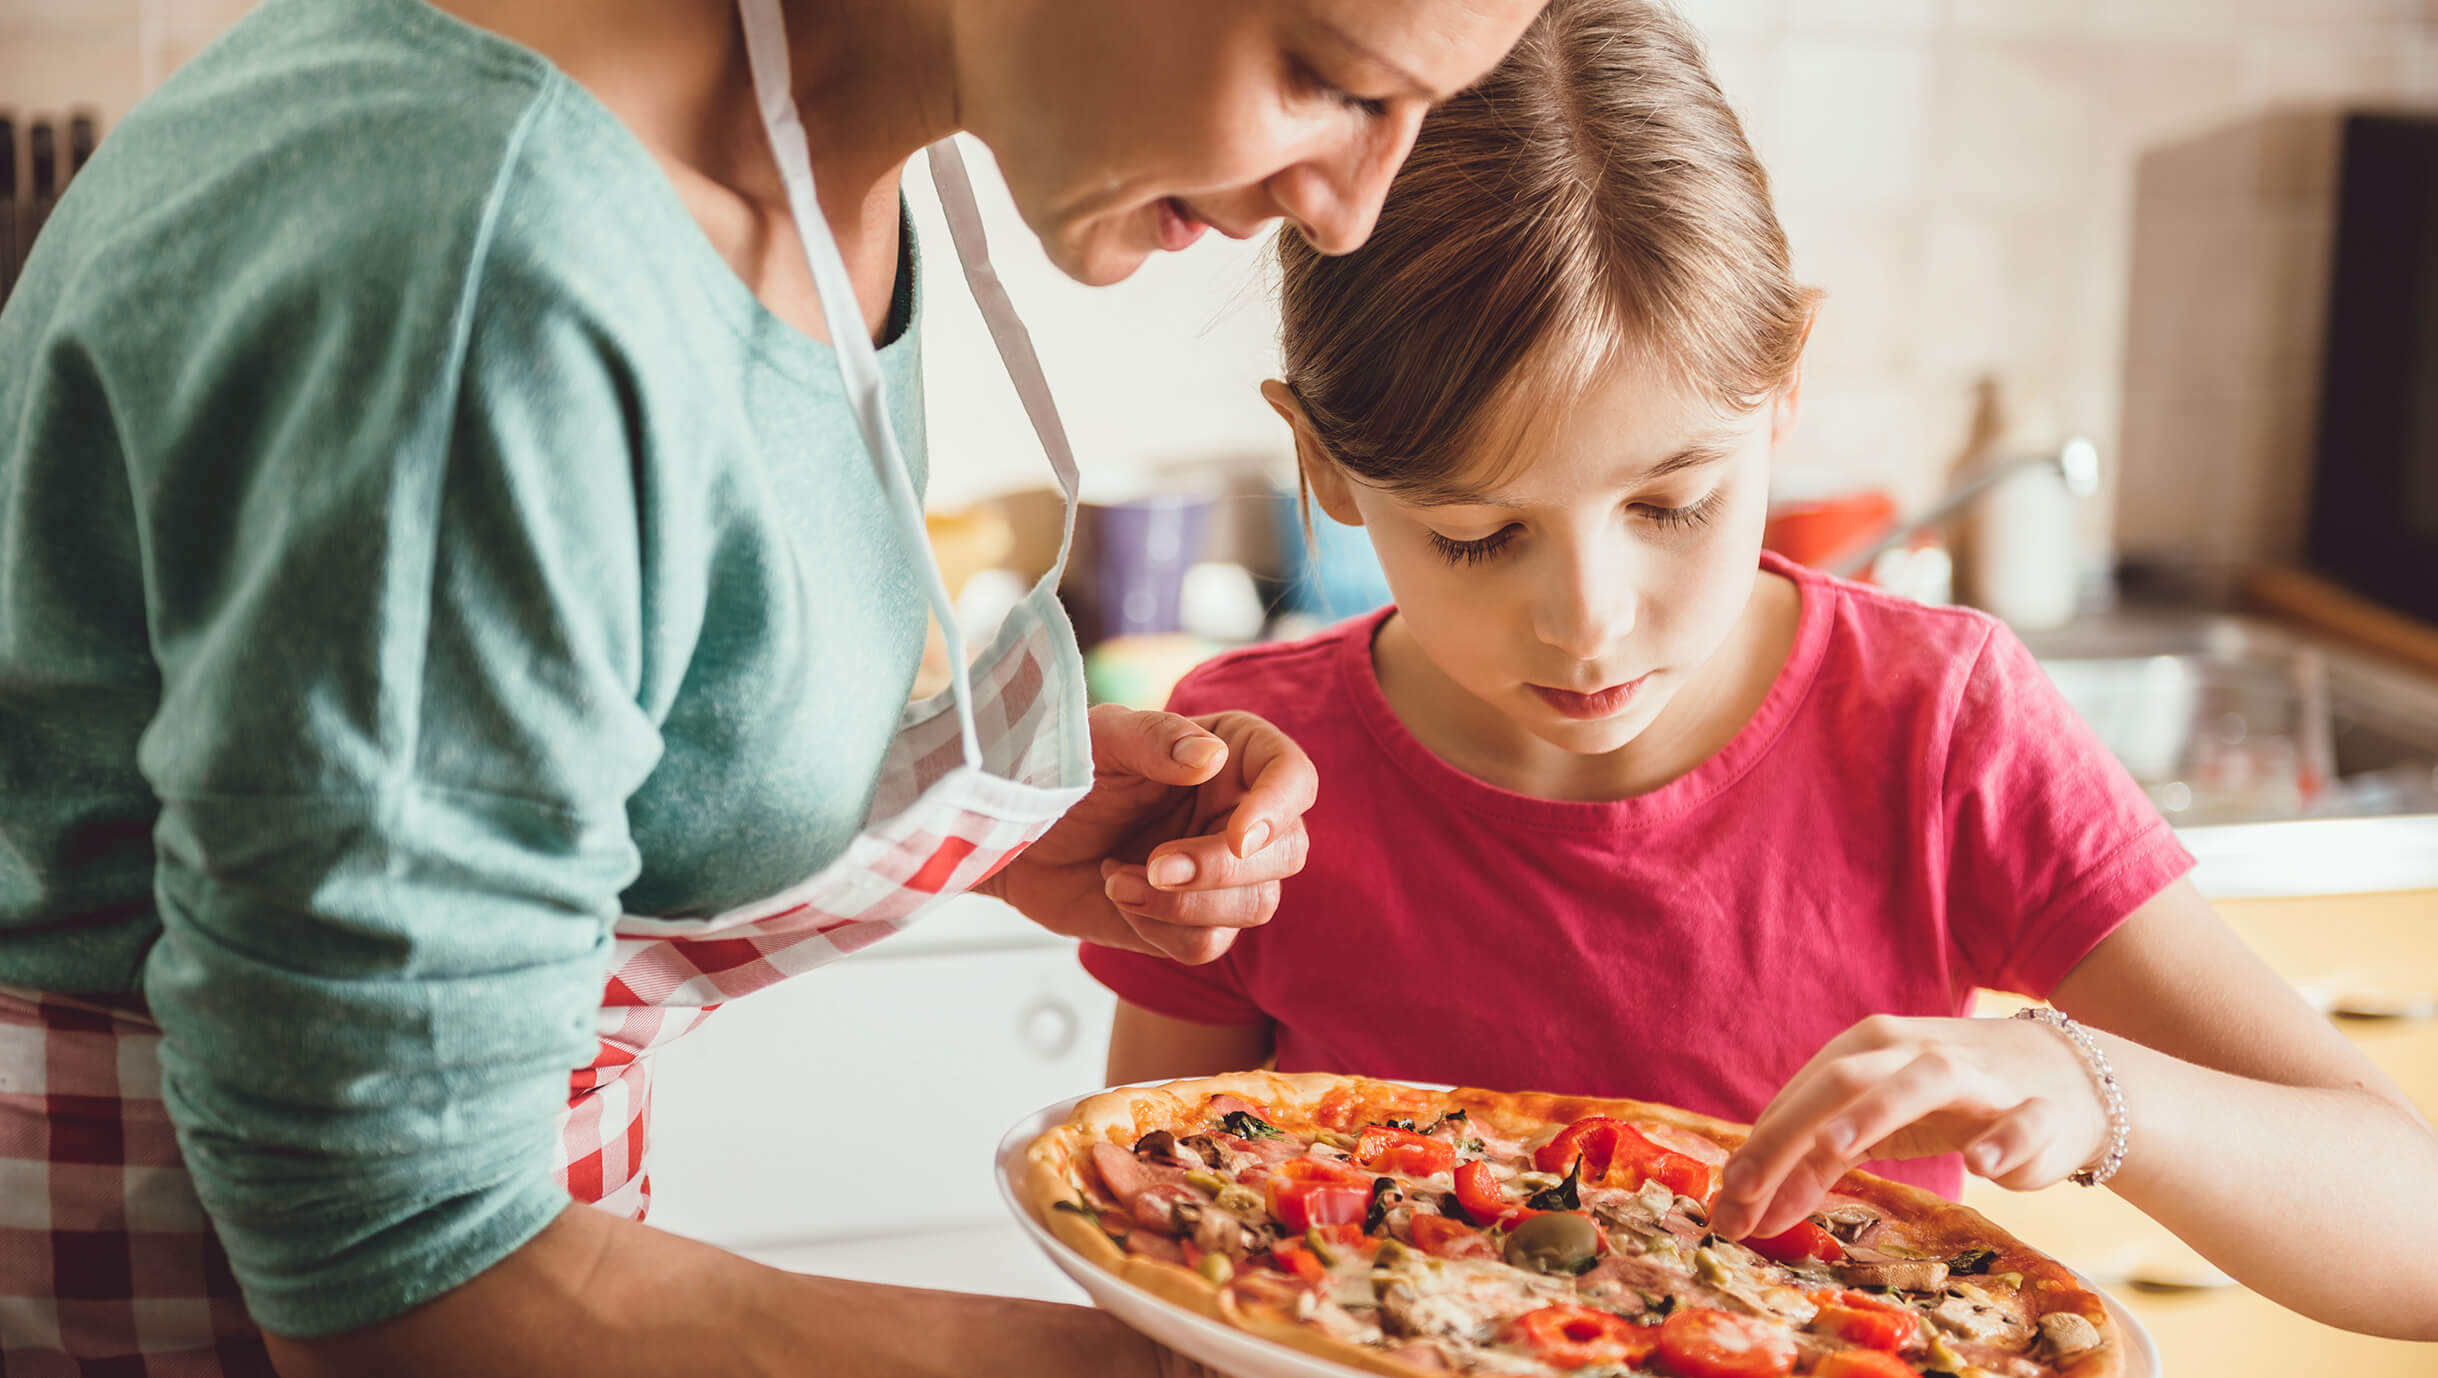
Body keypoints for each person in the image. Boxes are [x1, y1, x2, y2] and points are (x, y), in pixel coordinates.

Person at [0, 0, 1550, 1372]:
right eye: (1328, 78)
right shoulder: (491, 270)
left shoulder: (827, 163)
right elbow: (391, 1277)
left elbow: (545, 710)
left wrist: (1000, 828)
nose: (1351, 211)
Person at [1083, 0, 2438, 1342]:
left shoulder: (1935, 725)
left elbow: (2415, 1239)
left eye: (1671, 505)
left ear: (1782, 382)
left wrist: (2080, 1078)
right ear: (1322, 460)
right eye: (1475, 534)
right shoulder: (1255, 766)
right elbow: (1139, 1228)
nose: (1588, 624)